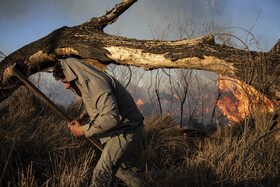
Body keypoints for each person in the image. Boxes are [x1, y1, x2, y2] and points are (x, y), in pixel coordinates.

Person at [53, 57, 144, 187]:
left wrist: (82, 130)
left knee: (101, 173)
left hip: (126, 129)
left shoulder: (95, 83)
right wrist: (81, 117)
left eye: (66, 82)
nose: (67, 86)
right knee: (121, 171)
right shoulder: (85, 79)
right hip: (117, 130)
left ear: (71, 75)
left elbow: (111, 118)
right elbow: (95, 102)